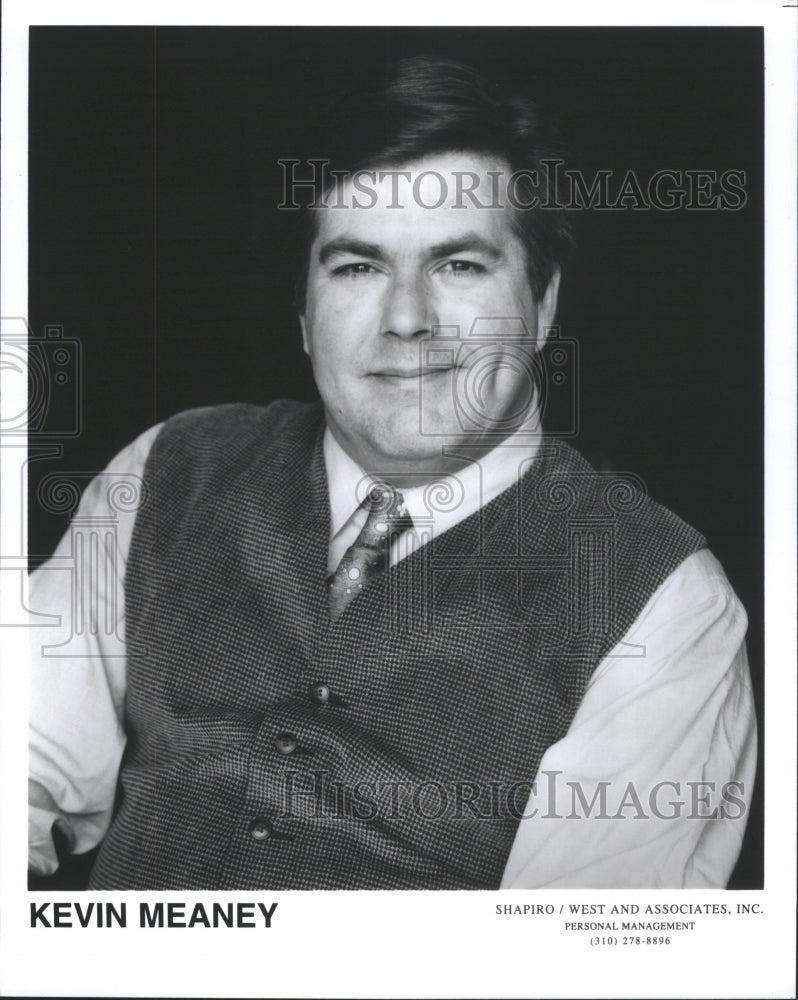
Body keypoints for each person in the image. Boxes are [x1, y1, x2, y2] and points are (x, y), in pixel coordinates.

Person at [28, 57, 756, 890]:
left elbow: (575, 968)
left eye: (459, 266)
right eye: (358, 267)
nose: (407, 319)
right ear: (304, 312)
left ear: (545, 301)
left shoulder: (663, 600)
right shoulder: (166, 472)